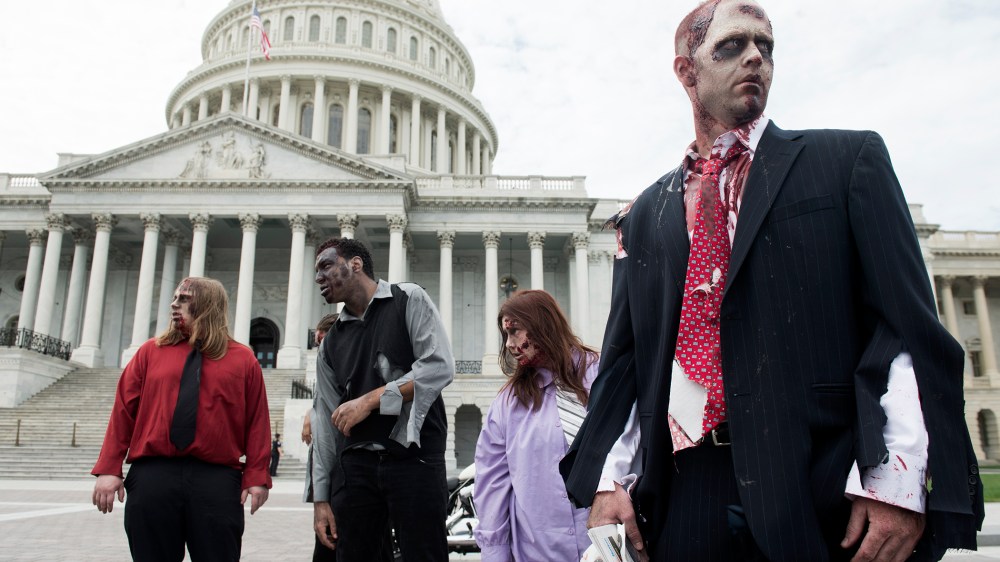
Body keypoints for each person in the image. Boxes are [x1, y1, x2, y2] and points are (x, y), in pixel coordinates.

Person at [560, 1, 984, 561]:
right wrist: (611, 478)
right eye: (731, 46)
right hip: (690, 493)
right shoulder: (645, 215)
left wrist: (897, 478)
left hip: (820, 484)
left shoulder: (845, 161)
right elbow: (627, 364)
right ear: (687, 71)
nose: (755, 56)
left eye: (766, 45)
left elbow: (903, 325)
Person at [91, 277, 271, 561]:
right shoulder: (150, 352)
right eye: (175, 298)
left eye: (185, 299)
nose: (174, 304)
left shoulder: (243, 359)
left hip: (217, 480)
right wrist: (109, 469)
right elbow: (123, 412)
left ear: (208, 305)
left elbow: (257, 421)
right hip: (153, 475)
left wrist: (257, 474)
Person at [311, 237, 454, 561]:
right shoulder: (331, 344)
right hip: (357, 468)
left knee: (424, 554)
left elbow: (438, 366)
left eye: (326, 266)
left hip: (414, 458)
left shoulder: (408, 300)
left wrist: (370, 401)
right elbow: (325, 420)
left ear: (356, 264)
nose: (318, 277)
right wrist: (322, 498)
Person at [474, 290, 599, 561]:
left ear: (543, 325)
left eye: (514, 331)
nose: (508, 344)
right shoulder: (508, 404)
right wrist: (495, 553)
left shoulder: (600, 376)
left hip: (606, 548)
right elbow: (492, 486)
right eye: (505, 335)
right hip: (538, 553)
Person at [304, 312, 339, 562]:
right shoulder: (329, 372)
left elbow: (327, 440)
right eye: (318, 344)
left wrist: (322, 497)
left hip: (342, 479)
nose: (321, 351)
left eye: (323, 342)